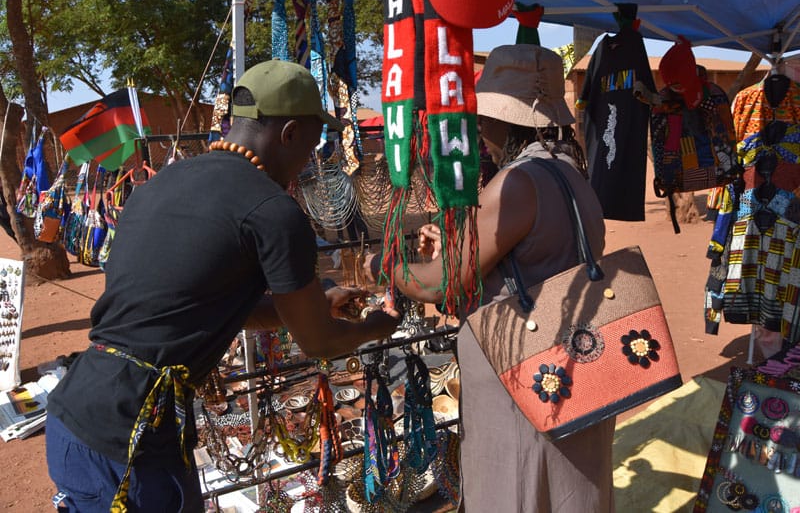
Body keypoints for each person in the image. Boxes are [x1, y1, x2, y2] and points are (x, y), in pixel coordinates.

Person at [45, 60, 399, 512]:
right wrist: (377, 327)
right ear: (289, 133)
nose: (311, 159)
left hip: (80, 414)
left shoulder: (165, 182)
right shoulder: (272, 210)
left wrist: (316, 303)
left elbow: (203, 304)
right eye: (311, 145)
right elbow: (319, 343)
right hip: (131, 442)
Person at [366, 44, 614, 511]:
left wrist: (389, 268)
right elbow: (529, 258)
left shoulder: (520, 181)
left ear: (506, 120)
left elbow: (440, 284)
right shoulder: (572, 173)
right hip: (574, 367)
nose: (482, 131)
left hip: (523, 379)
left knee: (516, 487)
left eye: (486, 120)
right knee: (569, 487)